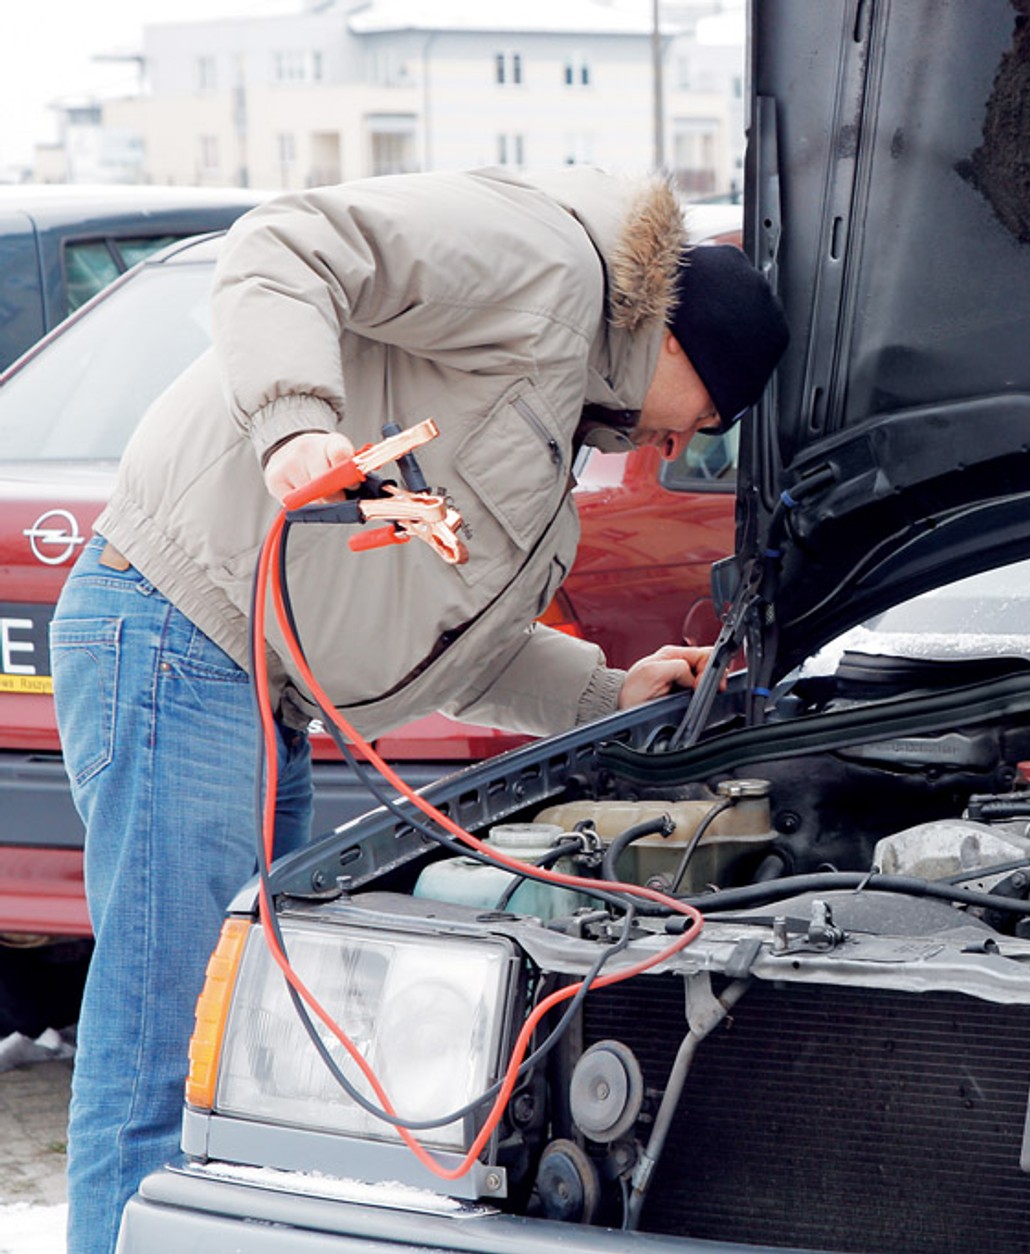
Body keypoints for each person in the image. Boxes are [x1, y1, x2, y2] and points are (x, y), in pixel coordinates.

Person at [48, 166, 789, 1254]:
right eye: (705, 422)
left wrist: (605, 694)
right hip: (178, 633)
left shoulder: (550, 458)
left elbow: (461, 651)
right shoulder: (541, 263)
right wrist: (296, 428)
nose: (676, 449)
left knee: (226, 1055)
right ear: (682, 345)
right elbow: (288, 239)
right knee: (162, 1042)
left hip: (254, 692)